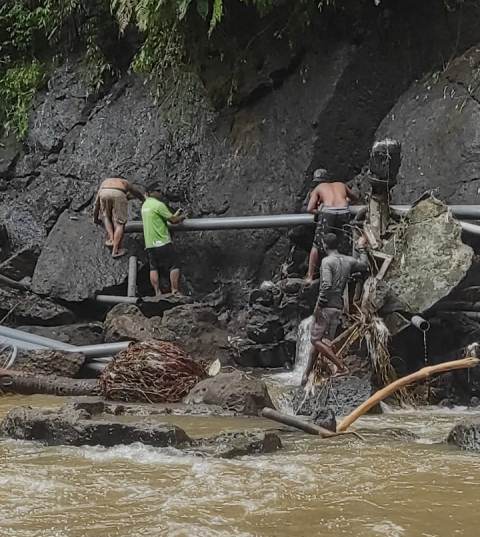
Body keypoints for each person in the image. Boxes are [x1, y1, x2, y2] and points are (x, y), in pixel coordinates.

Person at [301, 232, 368, 386]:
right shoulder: (348, 260)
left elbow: (326, 285)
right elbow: (364, 265)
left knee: (315, 339)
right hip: (338, 307)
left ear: (324, 246)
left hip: (326, 307)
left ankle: (341, 367)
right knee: (321, 342)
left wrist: (319, 306)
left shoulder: (326, 262)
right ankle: (306, 375)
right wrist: (361, 248)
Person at [305, 168, 358, 282]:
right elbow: (355, 198)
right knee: (345, 243)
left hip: (328, 212)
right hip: (344, 211)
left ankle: (310, 276)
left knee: (316, 245)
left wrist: (320, 210)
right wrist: (346, 199)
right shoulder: (341, 185)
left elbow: (309, 208)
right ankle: (350, 274)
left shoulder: (318, 189)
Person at [141, 190, 186, 295]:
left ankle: (157, 292)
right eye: (159, 191)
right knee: (174, 264)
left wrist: (175, 214)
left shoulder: (145, 206)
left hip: (149, 243)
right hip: (162, 241)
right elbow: (173, 221)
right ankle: (174, 290)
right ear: (152, 193)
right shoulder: (158, 205)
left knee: (153, 267)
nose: (161, 193)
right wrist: (182, 217)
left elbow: (160, 220)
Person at [93, 177, 145, 258]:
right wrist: (143, 199)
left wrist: (95, 218)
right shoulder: (124, 182)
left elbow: (96, 204)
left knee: (106, 216)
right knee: (120, 223)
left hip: (103, 192)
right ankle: (115, 251)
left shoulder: (105, 182)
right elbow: (136, 192)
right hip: (118, 193)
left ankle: (111, 239)